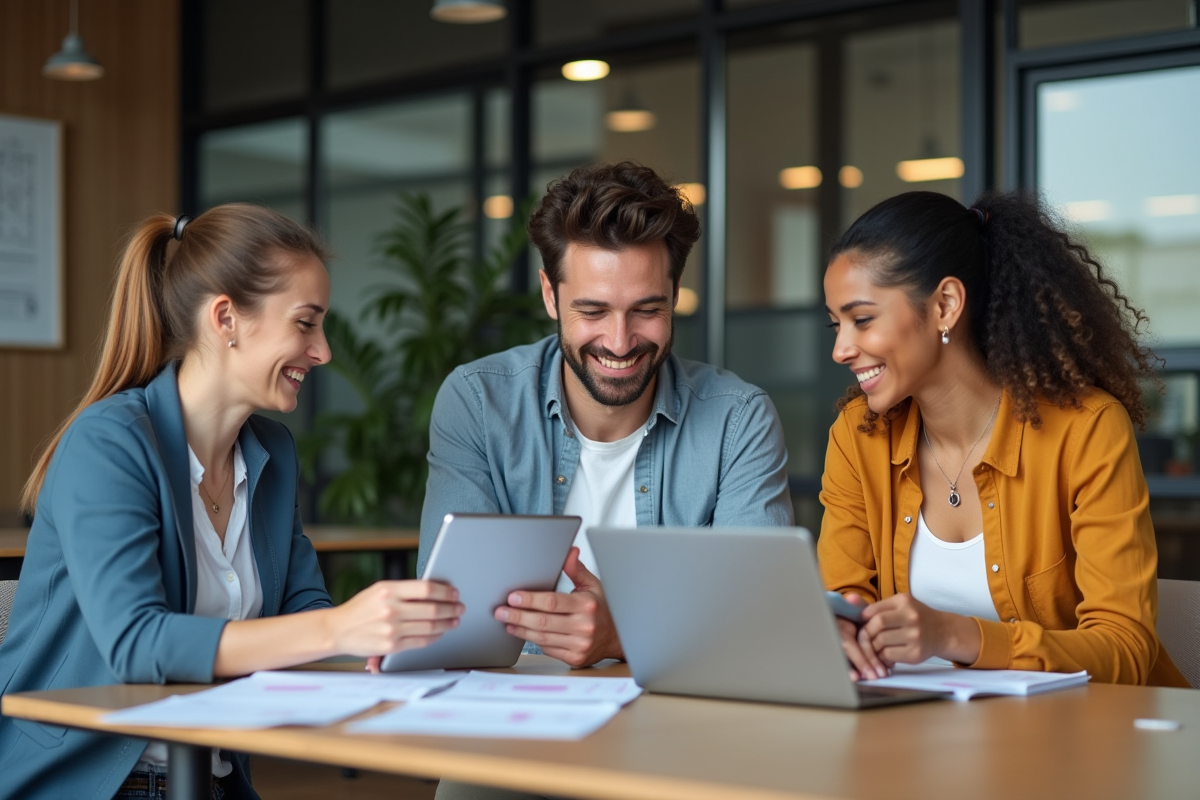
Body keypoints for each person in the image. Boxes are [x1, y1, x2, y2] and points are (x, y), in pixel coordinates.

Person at [0, 205, 465, 800]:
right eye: (305, 324)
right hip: (89, 784)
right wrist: (340, 628)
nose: (322, 351)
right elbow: (138, 645)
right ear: (227, 318)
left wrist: (382, 645)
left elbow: (303, 610)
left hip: (213, 780)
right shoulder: (110, 442)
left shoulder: (270, 452)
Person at [419, 161, 794, 670]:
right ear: (551, 294)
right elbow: (451, 621)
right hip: (516, 724)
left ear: (676, 292)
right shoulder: (480, 402)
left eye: (646, 310)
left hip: (677, 730)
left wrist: (623, 635)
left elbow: (761, 621)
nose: (619, 342)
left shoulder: (737, 421)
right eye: (593, 312)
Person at [819, 189, 1188, 687]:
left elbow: (1124, 649)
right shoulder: (858, 438)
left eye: (862, 319)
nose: (841, 348)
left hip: (1090, 740)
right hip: (918, 737)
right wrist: (837, 631)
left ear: (945, 305)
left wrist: (956, 635)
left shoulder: (1086, 430)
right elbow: (840, 597)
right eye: (836, 324)